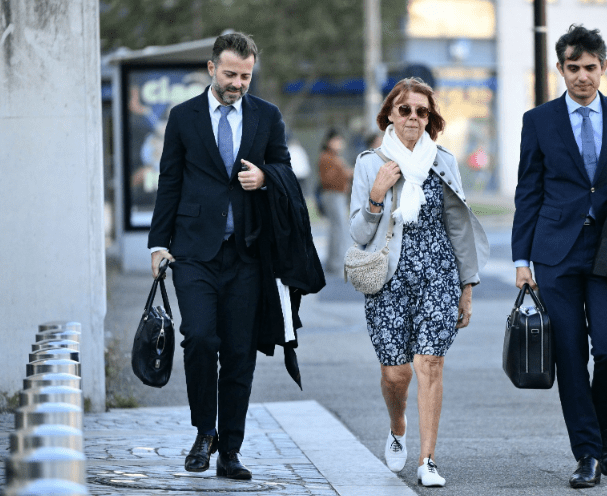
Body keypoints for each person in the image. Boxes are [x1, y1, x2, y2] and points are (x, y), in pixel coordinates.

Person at [148, 32, 323, 481]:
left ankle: (230, 449)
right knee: (202, 338)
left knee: (241, 354)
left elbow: (286, 169)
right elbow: (170, 181)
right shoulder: (183, 117)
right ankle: (204, 431)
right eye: (230, 74)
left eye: (245, 76)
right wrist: (157, 243)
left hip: (248, 254)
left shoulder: (267, 116)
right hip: (194, 251)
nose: (238, 83)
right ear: (211, 69)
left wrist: (265, 177)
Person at [511, 25, 607, 489]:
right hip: (555, 254)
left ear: (604, 67)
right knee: (570, 355)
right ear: (561, 69)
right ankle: (587, 452)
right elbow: (528, 191)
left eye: (591, 68)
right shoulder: (539, 120)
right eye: (574, 68)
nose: (582, 77)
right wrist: (521, 260)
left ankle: (605, 424)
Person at [350, 77, 488, 487]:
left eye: (422, 111)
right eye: (405, 109)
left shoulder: (443, 160)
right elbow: (358, 233)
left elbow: (459, 229)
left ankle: (427, 460)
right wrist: (376, 196)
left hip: (438, 274)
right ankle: (398, 426)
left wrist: (467, 287)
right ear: (390, 114)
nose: (413, 117)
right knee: (396, 375)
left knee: (430, 362)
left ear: (431, 119)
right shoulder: (370, 163)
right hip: (388, 277)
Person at [318, 129, 354, 275]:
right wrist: (346, 173)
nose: (339, 144)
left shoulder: (334, 157)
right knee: (338, 229)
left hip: (337, 195)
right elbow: (328, 179)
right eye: (336, 141)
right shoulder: (326, 158)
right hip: (332, 194)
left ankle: (336, 262)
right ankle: (336, 263)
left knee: (338, 229)